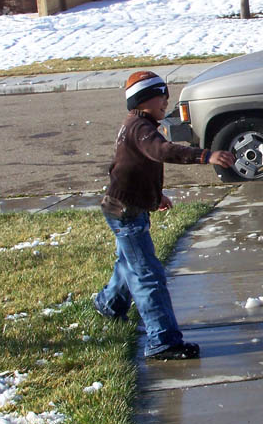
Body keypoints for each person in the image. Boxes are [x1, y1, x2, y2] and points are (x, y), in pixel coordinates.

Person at [93, 71, 235, 360]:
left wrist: (154, 197)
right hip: (126, 212)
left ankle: (109, 304)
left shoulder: (135, 125)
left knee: (128, 262)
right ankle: (163, 341)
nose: (166, 101)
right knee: (148, 275)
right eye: (161, 95)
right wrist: (205, 155)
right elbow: (161, 151)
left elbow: (131, 169)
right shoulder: (141, 129)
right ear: (143, 99)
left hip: (125, 206)